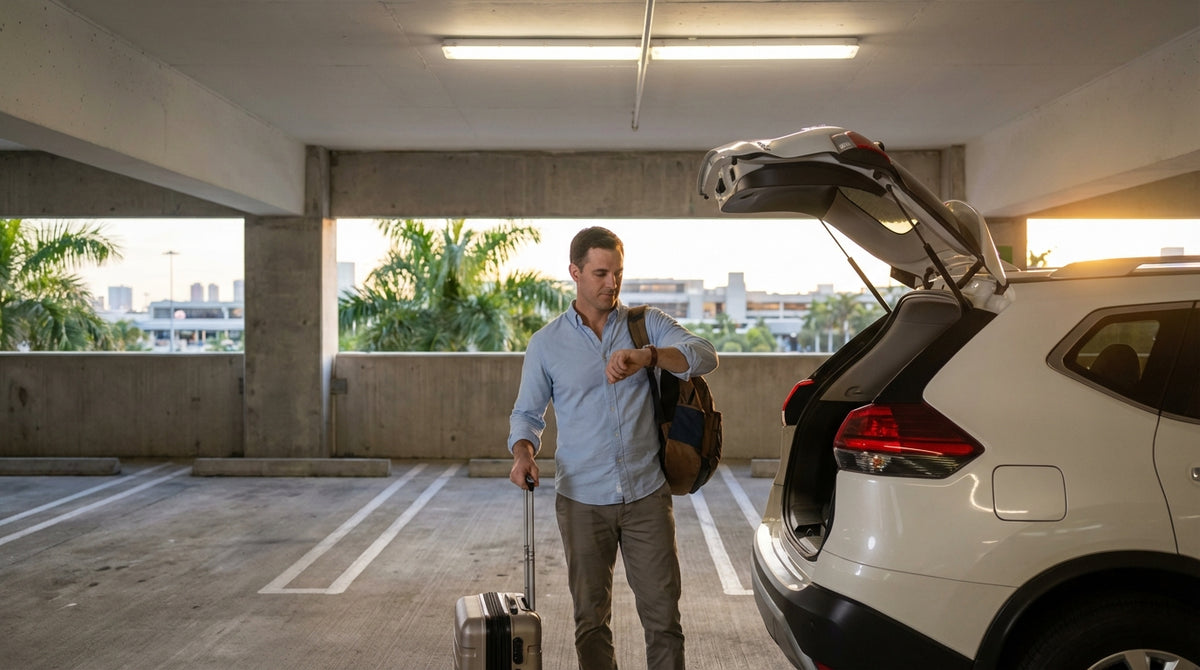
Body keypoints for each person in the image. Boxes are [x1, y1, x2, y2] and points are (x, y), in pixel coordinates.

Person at [508, 226, 719, 670]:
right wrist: (523, 453)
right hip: (582, 499)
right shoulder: (546, 344)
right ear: (575, 272)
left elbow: (704, 355)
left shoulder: (646, 324)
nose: (612, 283)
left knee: (663, 620)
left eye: (618, 273)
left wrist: (649, 356)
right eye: (601, 273)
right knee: (590, 621)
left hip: (646, 494)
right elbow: (527, 414)